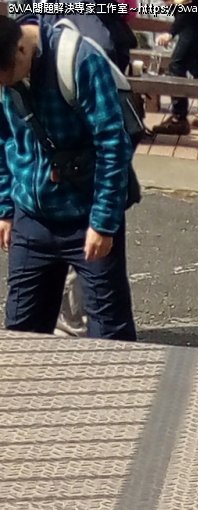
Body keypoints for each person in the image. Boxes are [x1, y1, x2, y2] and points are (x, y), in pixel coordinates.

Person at [0, 12, 137, 341]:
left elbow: (113, 144)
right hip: (31, 215)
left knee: (110, 335)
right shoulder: (6, 74)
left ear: (22, 49)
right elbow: (3, 139)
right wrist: (4, 206)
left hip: (86, 215)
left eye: (9, 78)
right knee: (20, 332)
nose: (7, 87)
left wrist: (103, 223)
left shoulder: (80, 60)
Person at [155, 1, 198, 137]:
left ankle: (179, 118)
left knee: (176, 65)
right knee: (197, 63)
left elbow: (186, 7)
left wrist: (171, 33)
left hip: (194, 18)